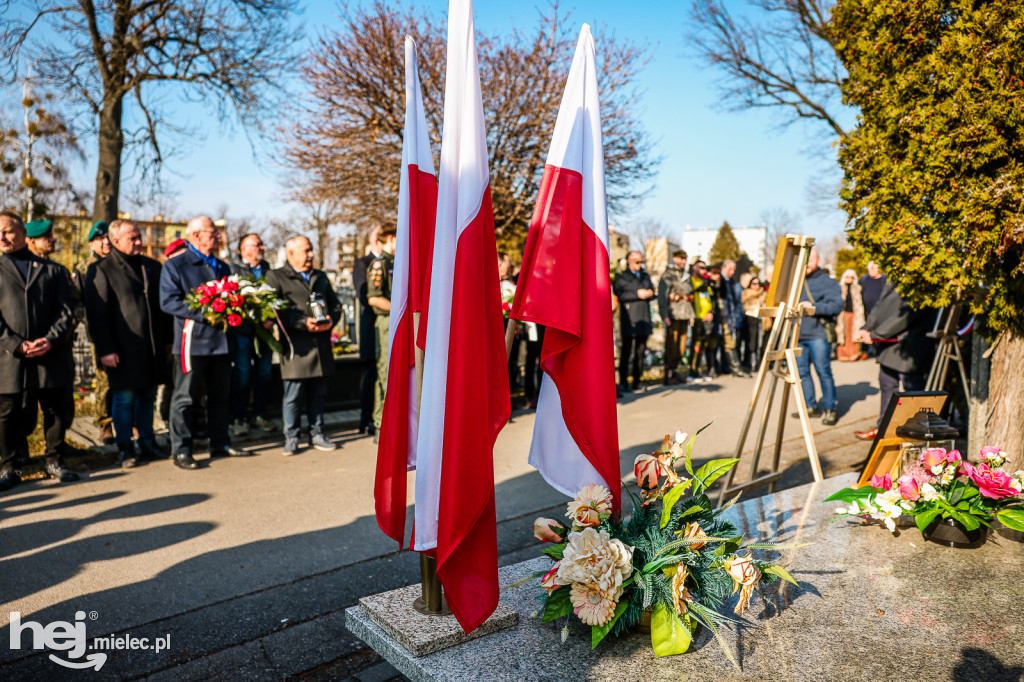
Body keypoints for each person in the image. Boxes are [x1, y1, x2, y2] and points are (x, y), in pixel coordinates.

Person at [159, 215, 249, 469]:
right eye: (213, 233)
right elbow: (168, 301)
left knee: (220, 395)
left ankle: (220, 443)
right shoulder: (176, 265)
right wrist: (207, 312)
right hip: (192, 342)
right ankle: (182, 450)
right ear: (196, 236)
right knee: (185, 397)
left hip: (221, 343)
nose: (218, 236)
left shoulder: (222, 266)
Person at [0, 212, 79, 491]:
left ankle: (55, 460)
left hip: (49, 353)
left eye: (8, 231)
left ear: (23, 233)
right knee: (7, 413)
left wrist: (50, 339)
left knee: (55, 409)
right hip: (10, 356)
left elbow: (66, 310)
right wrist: (14, 343)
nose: (2, 237)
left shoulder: (53, 270)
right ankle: (10, 466)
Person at [85, 220, 172, 467]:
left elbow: (162, 308)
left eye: (138, 236)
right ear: (115, 241)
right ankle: (125, 446)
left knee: (148, 395)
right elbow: (97, 314)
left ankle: (147, 441)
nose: (138, 241)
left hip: (152, 345)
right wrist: (106, 349)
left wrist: (167, 341)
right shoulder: (102, 269)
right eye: (132, 238)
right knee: (124, 399)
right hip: (122, 348)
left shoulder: (152, 266)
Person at [267, 235, 342, 455]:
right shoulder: (277, 276)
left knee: (318, 393)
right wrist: (301, 324)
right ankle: (291, 437)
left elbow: (335, 305)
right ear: (291, 253)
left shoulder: (319, 276)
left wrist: (330, 321)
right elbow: (275, 311)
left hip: (320, 344)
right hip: (296, 346)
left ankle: (317, 433)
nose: (310, 254)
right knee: (293, 396)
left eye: (310, 250)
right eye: (306, 250)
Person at [853, 284, 937, 441]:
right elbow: (879, 307)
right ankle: (883, 427)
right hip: (889, 345)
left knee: (913, 390)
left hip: (909, 345)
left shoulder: (925, 280)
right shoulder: (895, 276)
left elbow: (906, 315)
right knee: (887, 384)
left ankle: (915, 433)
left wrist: (877, 333)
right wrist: (867, 328)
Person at [228, 233, 276, 436]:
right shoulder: (233, 268)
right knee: (243, 373)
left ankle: (259, 414)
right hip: (242, 330)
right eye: (257, 245)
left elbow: (275, 295)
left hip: (264, 330)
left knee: (264, 372)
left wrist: (271, 316)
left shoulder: (267, 268)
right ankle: (238, 418)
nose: (261, 248)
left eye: (261, 244)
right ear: (244, 249)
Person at [73, 221, 115, 444]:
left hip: (124, 331)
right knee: (104, 379)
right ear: (91, 243)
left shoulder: (119, 263)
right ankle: (105, 423)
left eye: (108, 238)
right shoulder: (84, 267)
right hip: (99, 331)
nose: (105, 242)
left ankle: (133, 422)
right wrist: (88, 320)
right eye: (100, 239)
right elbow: (77, 300)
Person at [796, 247, 843, 425]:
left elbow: (837, 306)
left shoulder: (828, 282)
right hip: (797, 335)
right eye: (804, 260)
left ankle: (830, 408)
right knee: (802, 373)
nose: (807, 264)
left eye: (811, 259)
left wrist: (814, 307)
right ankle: (811, 406)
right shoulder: (795, 282)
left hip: (818, 334)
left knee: (823, 371)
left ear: (819, 261)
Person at [367, 227, 397, 440]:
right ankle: (381, 423)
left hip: (398, 321)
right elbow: (375, 298)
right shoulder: (380, 264)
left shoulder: (397, 261)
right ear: (390, 238)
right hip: (387, 322)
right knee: (386, 372)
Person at [352, 227, 382, 436]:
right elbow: (363, 294)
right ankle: (367, 419)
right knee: (371, 373)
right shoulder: (363, 263)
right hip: (372, 327)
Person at [612, 250, 654, 392]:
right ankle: (623, 382)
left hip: (644, 317)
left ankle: (637, 380)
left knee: (640, 352)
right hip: (629, 318)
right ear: (629, 261)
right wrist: (637, 294)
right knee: (626, 351)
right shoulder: (622, 277)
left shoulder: (645, 275)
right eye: (637, 262)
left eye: (641, 262)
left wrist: (649, 293)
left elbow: (651, 289)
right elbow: (620, 294)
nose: (640, 265)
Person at [657, 249, 694, 385]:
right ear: (675, 259)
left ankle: (675, 370)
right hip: (673, 314)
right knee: (672, 346)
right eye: (681, 258)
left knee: (682, 347)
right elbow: (662, 297)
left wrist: (692, 315)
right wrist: (665, 316)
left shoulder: (686, 275)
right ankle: (670, 372)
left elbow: (690, 295)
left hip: (685, 314)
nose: (684, 261)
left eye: (685, 259)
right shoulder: (668, 275)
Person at [687, 260, 717, 381]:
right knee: (696, 344)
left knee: (703, 345)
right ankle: (692, 371)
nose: (704, 270)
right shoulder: (691, 281)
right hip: (697, 318)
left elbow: (711, 298)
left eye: (706, 268)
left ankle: (698, 370)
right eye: (702, 268)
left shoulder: (705, 282)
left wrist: (711, 313)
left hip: (707, 318)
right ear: (694, 268)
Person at [718, 259, 749, 377]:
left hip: (728, 316)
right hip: (721, 316)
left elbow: (732, 302)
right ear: (723, 268)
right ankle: (733, 368)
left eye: (734, 270)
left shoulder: (730, 281)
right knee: (725, 343)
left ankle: (731, 368)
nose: (732, 272)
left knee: (729, 343)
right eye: (730, 269)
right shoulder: (719, 280)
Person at [836, 269, 865, 362]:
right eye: (847, 277)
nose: (849, 279)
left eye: (851, 277)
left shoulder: (857, 288)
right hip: (843, 314)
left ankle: (853, 355)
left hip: (854, 314)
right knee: (843, 334)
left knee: (853, 334)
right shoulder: (840, 288)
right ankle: (843, 355)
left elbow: (859, 302)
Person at [741, 275, 767, 371]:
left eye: (758, 284)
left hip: (761, 320)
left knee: (759, 342)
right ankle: (749, 363)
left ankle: (758, 363)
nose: (756, 286)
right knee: (751, 342)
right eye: (754, 283)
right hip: (750, 320)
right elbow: (745, 307)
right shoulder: (746, 293)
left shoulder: (762, 294)